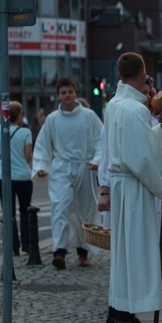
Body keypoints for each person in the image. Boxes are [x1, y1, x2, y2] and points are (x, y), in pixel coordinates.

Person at [97, 52, 162, 323]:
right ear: (143, 74)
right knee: (136, 252)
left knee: (123, 254)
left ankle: (117, 312)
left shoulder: (115, 104)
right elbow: (142, 158)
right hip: (133, 186)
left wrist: (161, 130)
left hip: (121, 184)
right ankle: (126, 315)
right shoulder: (135, 109)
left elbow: (132, 146)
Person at [32, 78, 104, 269]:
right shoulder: (52, 119)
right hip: (61, 168)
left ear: (75, 92)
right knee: (60, 207)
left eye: (70, 92)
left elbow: (101, 140)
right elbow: (43, 144)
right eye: (63, 93)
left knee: (84, 210)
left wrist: (97, 160)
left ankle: (83, 251)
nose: (67, 95)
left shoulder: (89, 116)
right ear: (58, 95)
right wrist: (42, 165)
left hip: (84, 166)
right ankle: (59, 251)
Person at [0, 101, 34, 255]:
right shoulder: (25, 133)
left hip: (3, 177)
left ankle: (13, 247)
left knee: (8, 213)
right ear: (20, 115)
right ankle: (26, 244)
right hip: (23, 177)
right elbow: (28, 157)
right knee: (25, 210)